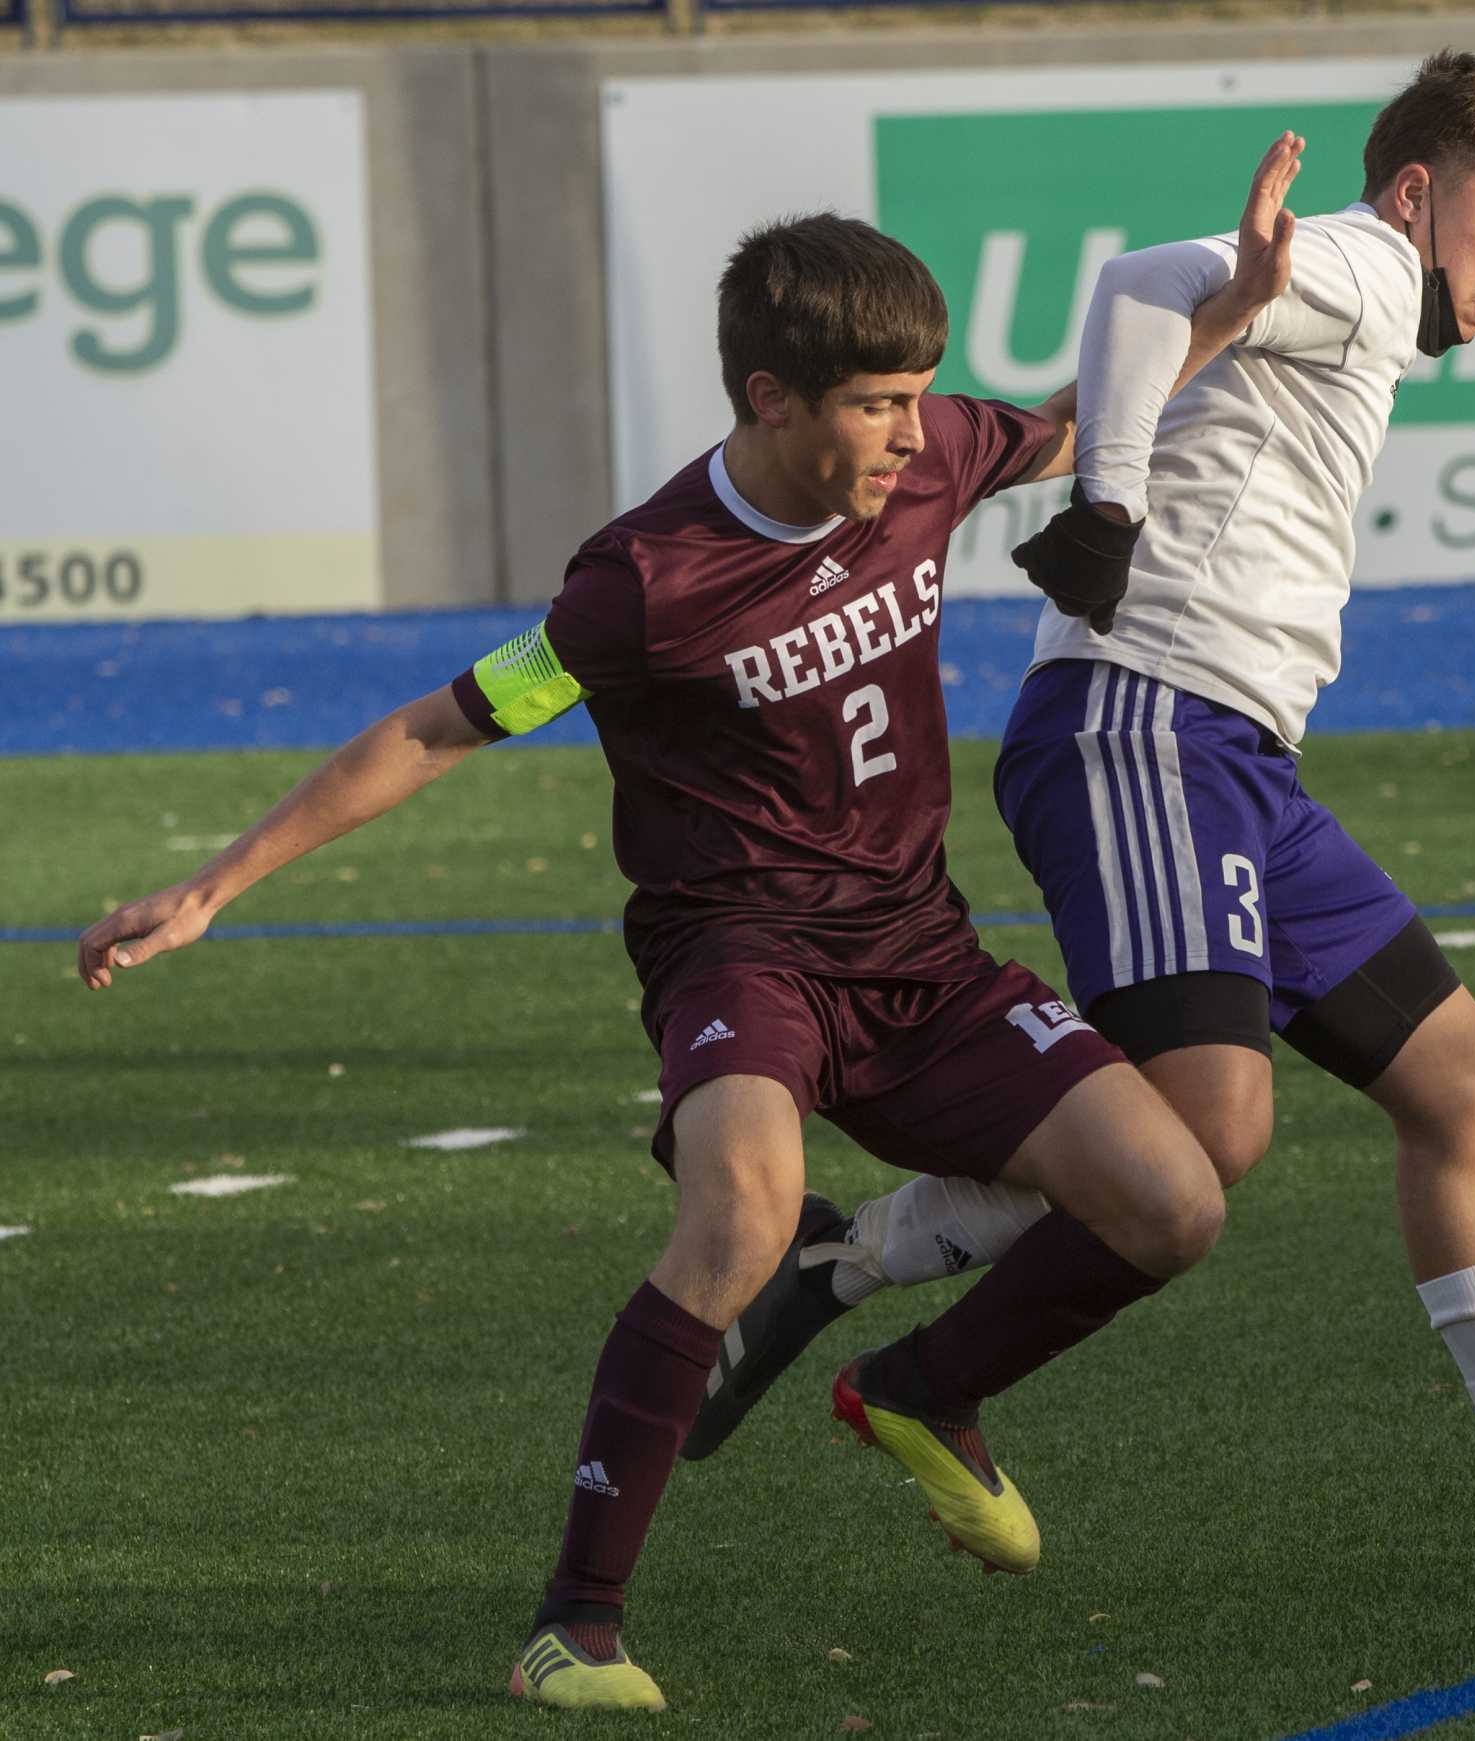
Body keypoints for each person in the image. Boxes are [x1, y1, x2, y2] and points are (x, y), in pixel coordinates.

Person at [76, 163, 1300, 1710]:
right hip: (742, 958)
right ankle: (574, 1626)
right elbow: (440, 729)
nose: (916, 434)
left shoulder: (923, 463)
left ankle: (924, 1387)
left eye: (921, 397)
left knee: (1175, 1201)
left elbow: (1068, 422)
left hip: (921, 952)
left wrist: (1237, 307)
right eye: (876, 404)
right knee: (736, 1222)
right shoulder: (637, 582)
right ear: (771, 397)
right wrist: (215, 883)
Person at [687, 52, 1475, 1601]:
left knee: (1461, 1081)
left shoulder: (1355, 291)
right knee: (1208, 1132)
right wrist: (1111, 505)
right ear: (1417, 195)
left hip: (1237, 758)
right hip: (1145, 730)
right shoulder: (1361, 257)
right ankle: (920, 1374)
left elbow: (1181, 317)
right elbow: (1135, 281)